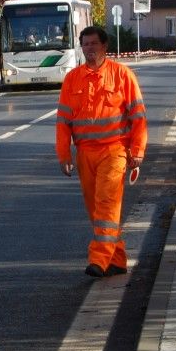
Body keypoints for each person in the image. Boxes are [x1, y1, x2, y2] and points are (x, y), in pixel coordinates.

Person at [55, 25, 147, 278]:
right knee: (97, 210)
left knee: (107, 203)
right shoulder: (72, 79)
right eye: (85, 44)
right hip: (85, 153)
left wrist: (137, 150)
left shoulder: (122, 75)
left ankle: (99, 258)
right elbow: (63, 121)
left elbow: (138, 117)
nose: (90, 49)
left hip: (114, 150)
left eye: (94, 44)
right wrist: (64, 154)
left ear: (104, 46)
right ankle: (116, 260)